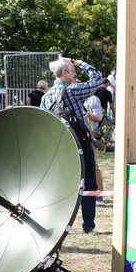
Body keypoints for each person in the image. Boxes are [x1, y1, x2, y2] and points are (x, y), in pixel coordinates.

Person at [40, 57, 102, 234]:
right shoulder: (72, 91)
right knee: (89, 183)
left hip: (60, 147)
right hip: (81, 144)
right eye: (73, 71)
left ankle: (57, 223)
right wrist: (82, 62)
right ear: (64, 73)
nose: (75, 74)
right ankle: (88, 224)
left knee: (61, 185)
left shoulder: (46, 96)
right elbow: (96, 80)